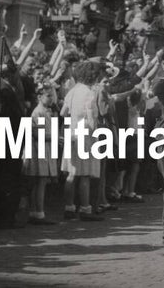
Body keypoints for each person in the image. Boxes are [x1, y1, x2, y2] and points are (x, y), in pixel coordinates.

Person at [60, 61, 104, 221]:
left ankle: (69, 207)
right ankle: (85, 209)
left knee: (72, 173)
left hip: (71, 132)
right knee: (84, 174)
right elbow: (92, 119)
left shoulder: (72, 91)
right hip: (85, 134)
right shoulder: (89, 93)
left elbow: (63, 112)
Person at [22, 83, 58, 225]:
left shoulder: (47, 111)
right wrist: (58, 138)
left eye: (52, 96)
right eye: (48, 96)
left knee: (41, 182)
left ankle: (36, 211)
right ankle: (38, 213)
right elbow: (39, 134)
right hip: (38, 149)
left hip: (44, 148)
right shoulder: (38, 112)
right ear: (39, 97)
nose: (51, 99)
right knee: (40, 181)